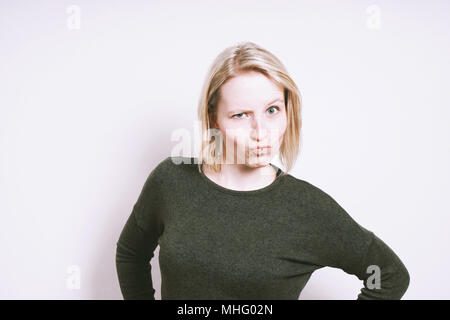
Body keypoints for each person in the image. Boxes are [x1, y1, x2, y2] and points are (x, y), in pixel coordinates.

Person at [115, 41, 410, 300]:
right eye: (241, 115)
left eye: (272, 110)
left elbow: (389, 274)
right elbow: (131, 254)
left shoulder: (307, 208)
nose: (261, 132)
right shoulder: (171, 181)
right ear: (213, 118)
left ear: (287, 110)